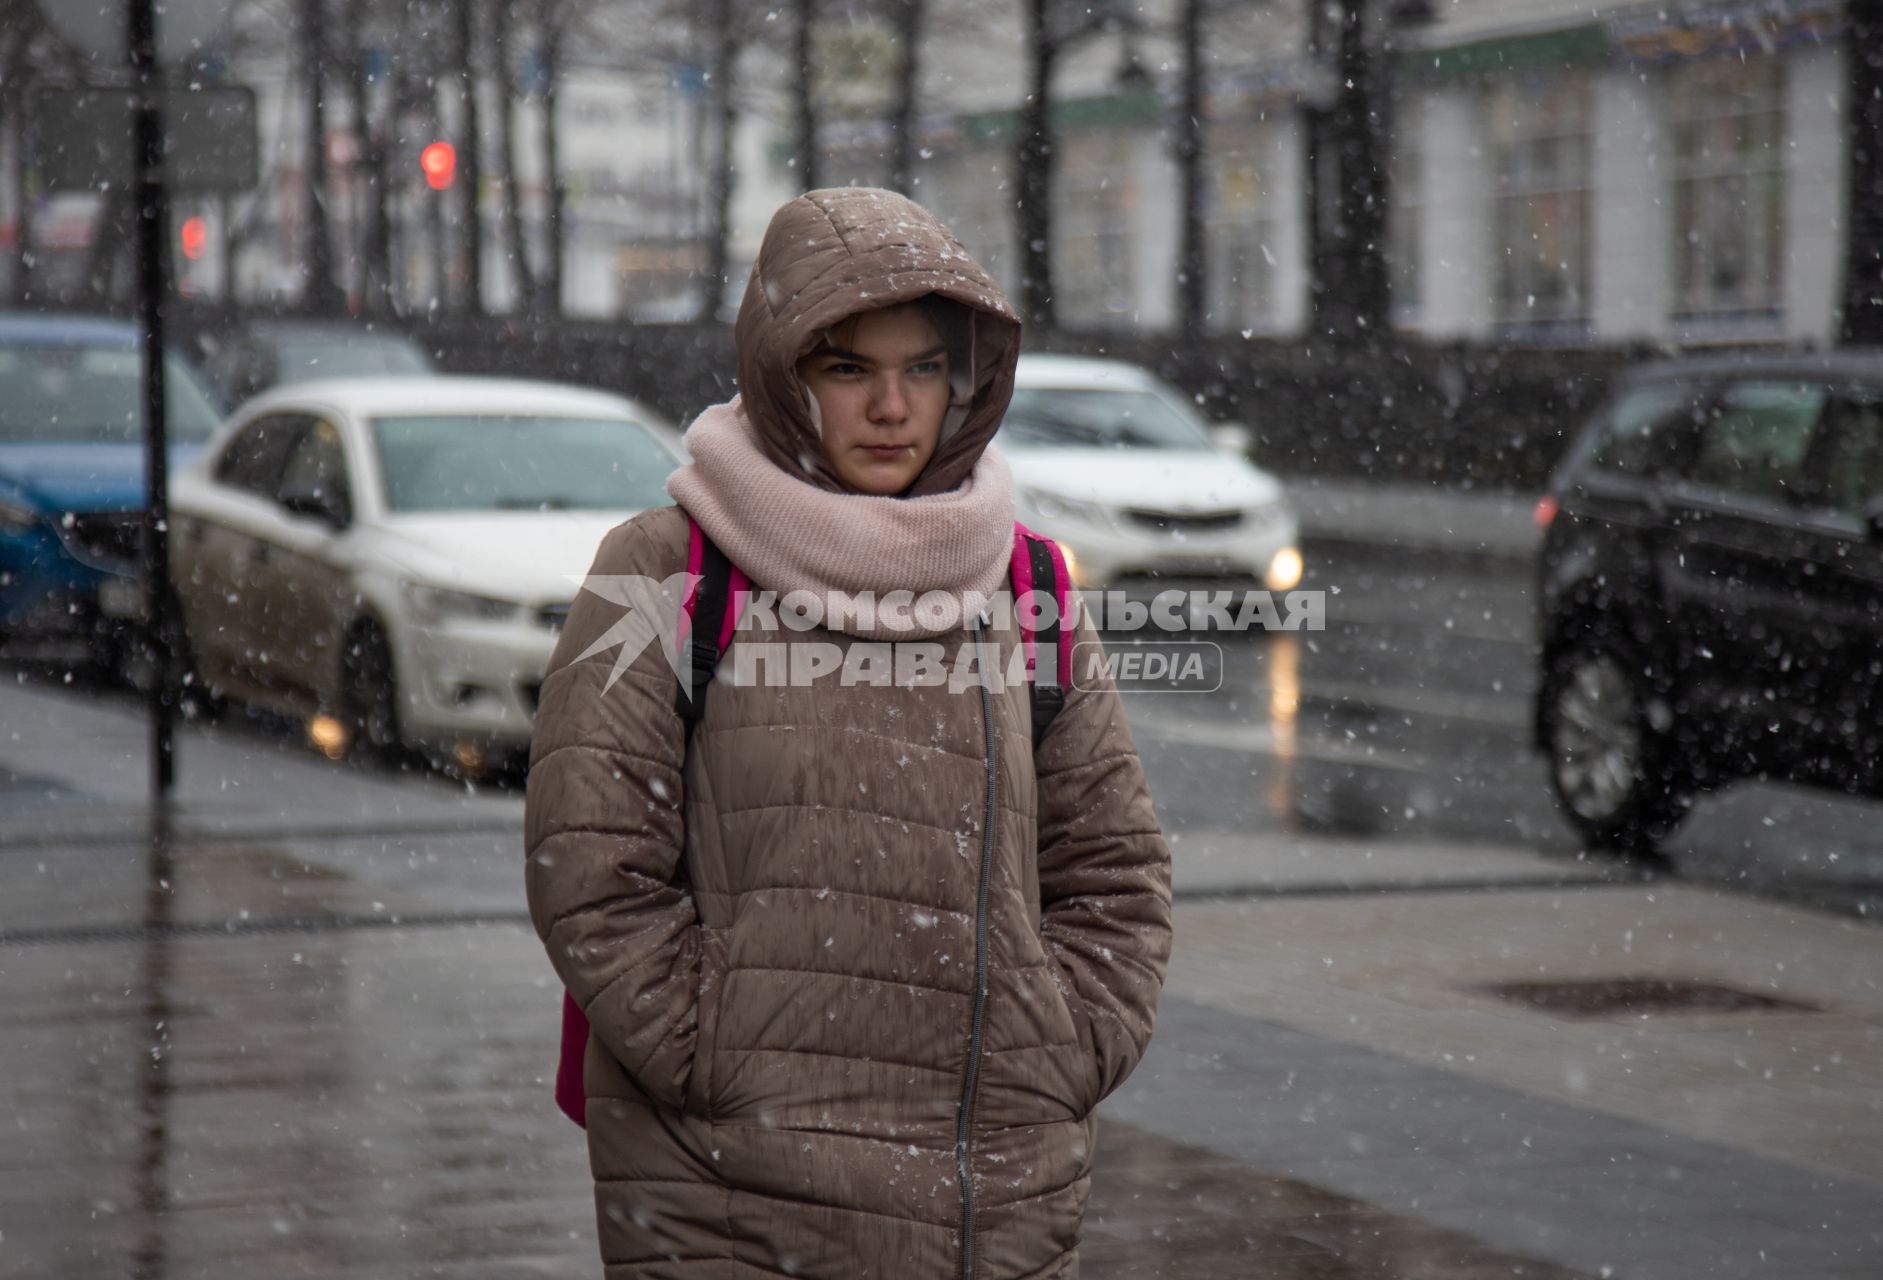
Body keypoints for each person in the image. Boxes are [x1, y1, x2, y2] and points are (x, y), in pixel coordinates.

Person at [525, 187, 1172, 1279]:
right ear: (784, 381)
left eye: (923, 368)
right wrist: (715, 1044)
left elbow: (1112, 865)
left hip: (991, 1195)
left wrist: (1056, 1045)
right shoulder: (668, 568)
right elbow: (590, 863)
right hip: (735, 1197)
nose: (891, 405)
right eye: (847, 369)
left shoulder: (1028, 585)